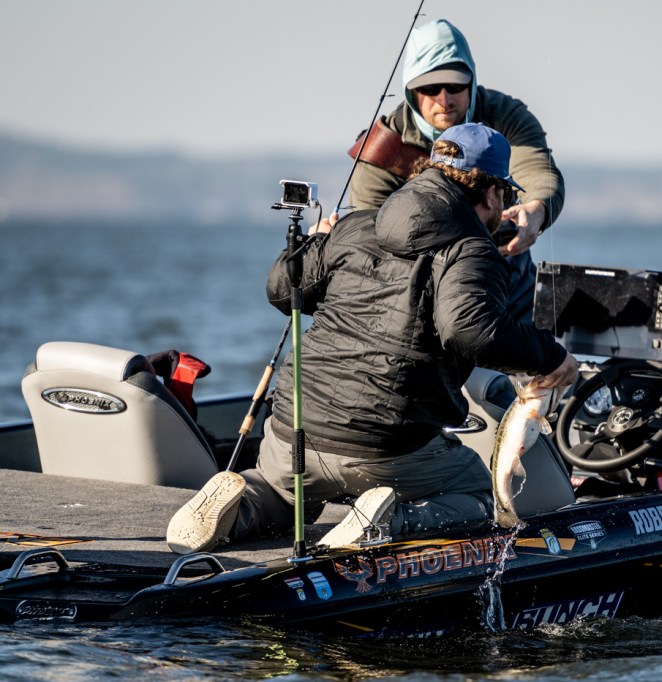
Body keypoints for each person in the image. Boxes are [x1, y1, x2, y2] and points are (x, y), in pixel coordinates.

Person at [166, 123, 578, 555]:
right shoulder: (473, 251)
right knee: (478, 496)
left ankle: (244, 501)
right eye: (506, 195)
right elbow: (468, 328)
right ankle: (385, 523)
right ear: (492, 194)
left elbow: (282, 289)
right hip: (387, 447)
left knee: (285, 492)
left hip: (293, 432)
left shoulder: (357, 224)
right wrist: (551, 357)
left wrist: (317, 241)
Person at [345, 18, 564, 322]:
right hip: (415, 299)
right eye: (430, 88)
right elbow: (366, 239)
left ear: (471, 80)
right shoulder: (383, 149)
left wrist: (536, 211)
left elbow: (537, 170)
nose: (444, 100)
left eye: (455, 85)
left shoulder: (506, 116)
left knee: (545, 349)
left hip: (508, 286)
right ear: (411, 91)